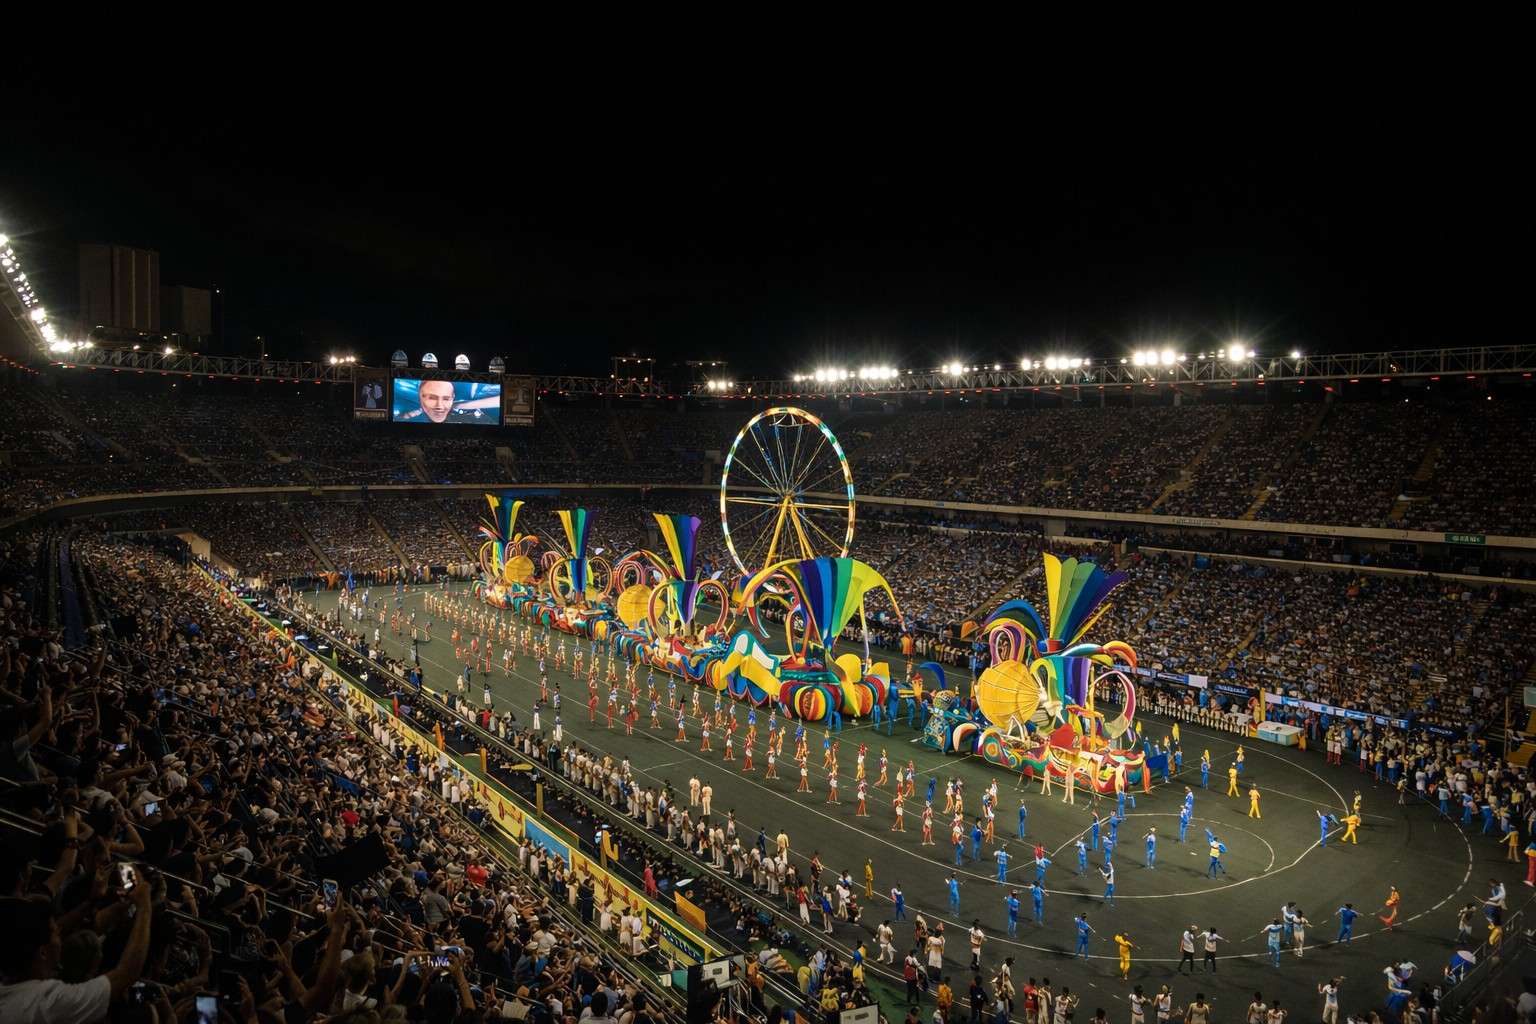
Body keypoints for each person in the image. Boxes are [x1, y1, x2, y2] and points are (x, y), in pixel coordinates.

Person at [0, 869, 155, 1023]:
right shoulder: (47, 1003)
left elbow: (59, 926)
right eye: (55, 934)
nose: (60, 934)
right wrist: (144, 907)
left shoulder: (9, 982)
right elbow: (125, 974)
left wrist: (92, 901)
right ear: (42, 952)